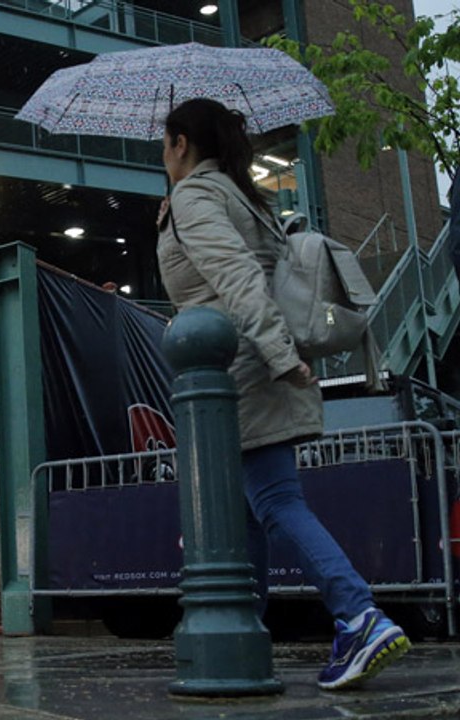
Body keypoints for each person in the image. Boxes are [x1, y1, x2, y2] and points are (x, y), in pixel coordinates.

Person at [157, 97, 410, 690]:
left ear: (180, 143)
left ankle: (358, 615)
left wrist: (276, 353)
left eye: (163, 145)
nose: (161, 156)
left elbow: (236, 276)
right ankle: (240, 638)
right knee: (244, 515)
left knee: (275, 500)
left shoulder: (197, 197)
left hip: (239, 368)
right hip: (251, 361)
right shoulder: (240, 195)